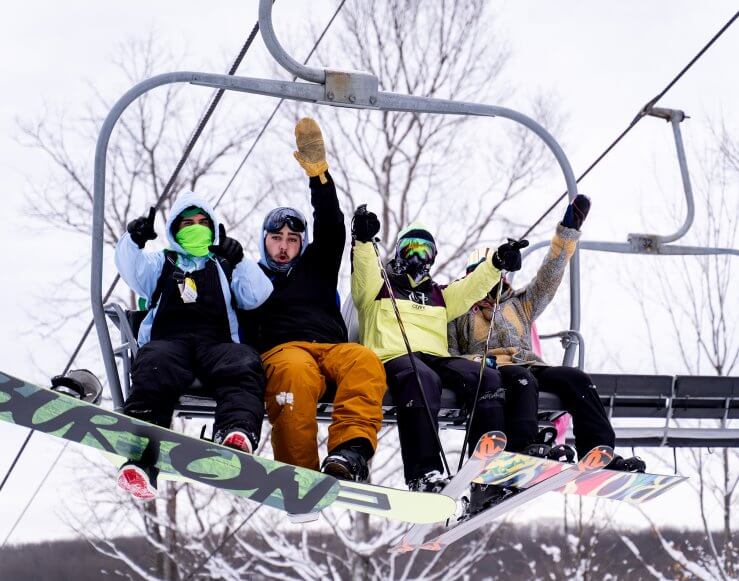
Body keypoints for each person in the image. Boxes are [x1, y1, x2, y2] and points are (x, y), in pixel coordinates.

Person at [448, 195, 646, 474]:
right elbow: (451, 355)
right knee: (522, 380)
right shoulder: (459, 312)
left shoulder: (519, 304)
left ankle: (598, 450)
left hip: (528, 363)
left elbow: (550, 275)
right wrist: (476, 362)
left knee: (576, 378)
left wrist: (568, 233)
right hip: (493, 369)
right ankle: (522, 447)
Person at [350, 207, 536, 496]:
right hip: (392, 356)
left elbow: (472, 286)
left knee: (486, 378)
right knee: (422, 378)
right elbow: (363, 271)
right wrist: (362, 241)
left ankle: (484, 470)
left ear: (433, 257)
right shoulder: (379, 286)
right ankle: (424, 472)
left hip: (435, 358)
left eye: (425, 250)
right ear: (399, 252)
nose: (417, 256)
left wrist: (496, 262)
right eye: (410, 248)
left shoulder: (439, 295)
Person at [241, 117, 387, 484]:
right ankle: (299, 473)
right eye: (278, 238)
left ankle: (348, 453)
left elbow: (332, 227)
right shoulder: (251, 278)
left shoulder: (315, 265)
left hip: (331, 348)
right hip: (284, 350)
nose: (285, 246)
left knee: (365, 360)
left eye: (293, 238)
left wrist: (318, 176)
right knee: (295, 374)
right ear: (265, 241)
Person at [114, 191, 273, 500]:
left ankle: (235, 434)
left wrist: (239, 260)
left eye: (202, 222)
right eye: (188, 223)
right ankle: (141, 454)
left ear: (213, 227)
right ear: (176, 228)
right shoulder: (162, 262)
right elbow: (131, 270)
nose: (196, 227)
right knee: (155, 363)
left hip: (217, 344)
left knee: (242, 363)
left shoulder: (224, 265)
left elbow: (258, 294)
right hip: (169, 342)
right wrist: (133, 241)